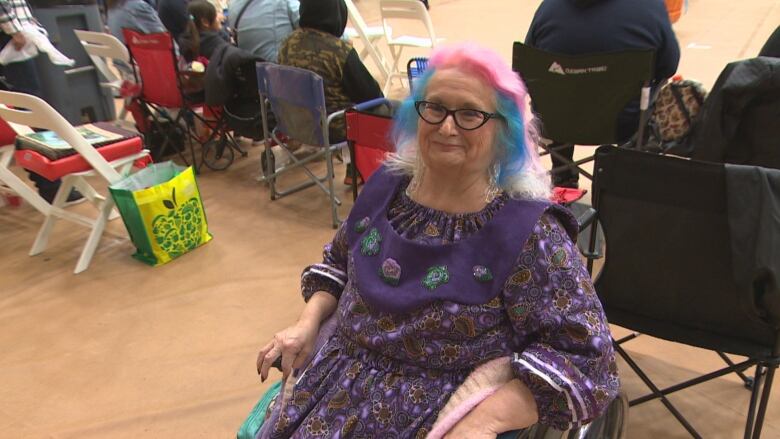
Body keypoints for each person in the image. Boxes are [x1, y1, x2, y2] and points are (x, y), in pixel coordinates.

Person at [254, 43, 619, 438]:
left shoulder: (529, 232)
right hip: (330, 392)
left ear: (504, 131)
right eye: (435, 108)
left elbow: (585, 356)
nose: (447, 127)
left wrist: (482, 424)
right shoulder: (386, 189)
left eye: (470, 114)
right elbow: (338, 265)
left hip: (434, 412)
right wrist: (305, 324)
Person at [525, 0, 680, 188]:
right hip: (625, 124)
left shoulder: (548, 8)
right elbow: (669, 66)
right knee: (650, 91)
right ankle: (622, 181)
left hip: (554, 123)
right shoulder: (649, 6)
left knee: (558, 94)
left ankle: (564, 176)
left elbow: (526, 72)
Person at [0, 0, 81, 203]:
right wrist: (14, 29)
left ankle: (49, 185)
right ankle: (51, 187)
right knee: (29, 115)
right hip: (10, 37)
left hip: (12, 33)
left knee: (21, 113)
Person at [277, 0, 382, 144]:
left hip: (293, 124)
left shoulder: (287, 43)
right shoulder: (339, 51)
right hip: (333, 128)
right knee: (391, 109)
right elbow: (373, 96)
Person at [227, 0, 298, 63]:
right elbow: (306, 21)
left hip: (248, 72)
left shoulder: (232, 4)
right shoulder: (284, 2)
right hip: (279, 71)